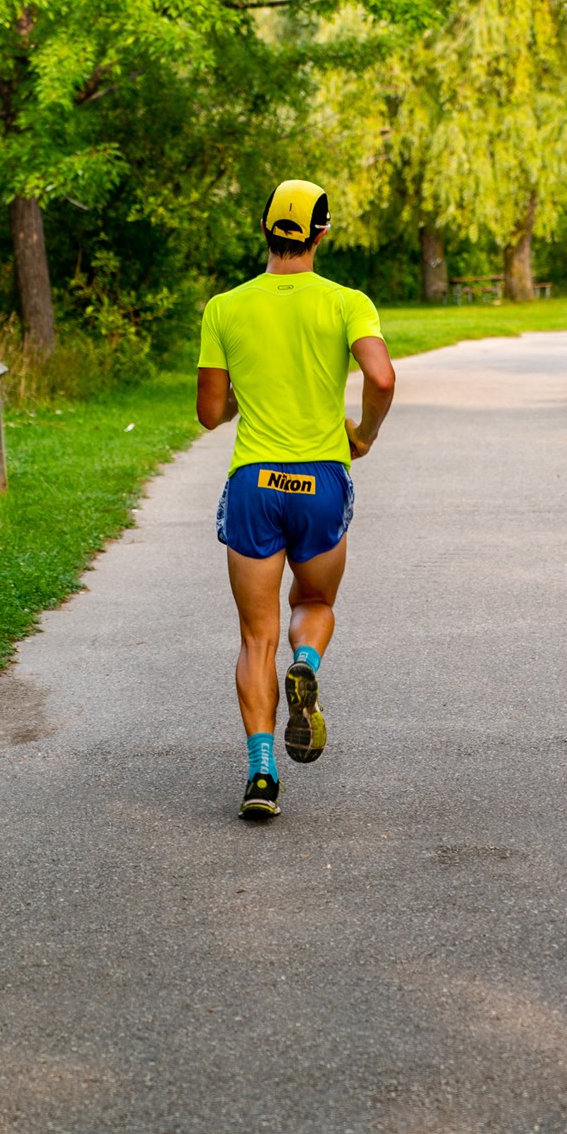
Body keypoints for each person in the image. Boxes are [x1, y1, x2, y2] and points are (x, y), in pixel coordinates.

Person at [196, 179, 395, 821]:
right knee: (313, 602)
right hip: (320, 482)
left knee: (256, 638)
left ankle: (260, 772)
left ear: (264, 229)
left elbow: (209, 413)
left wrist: (246, 394)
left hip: (256, 482)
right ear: (321, 233)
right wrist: (361, 434)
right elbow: (382, 376)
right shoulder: (347, 302)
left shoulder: (224, 308)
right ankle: (306, 660)